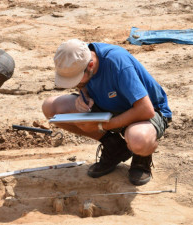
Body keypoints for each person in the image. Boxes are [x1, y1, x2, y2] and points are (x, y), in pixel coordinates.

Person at [42, 39, 172, 186]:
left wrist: (103, 127)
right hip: (108, 108)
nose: (75, 84)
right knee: (50, 108)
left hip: (145, 113)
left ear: (90, 65)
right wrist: (84, 94)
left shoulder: (117, 63)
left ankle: (141, 157)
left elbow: (145, 110)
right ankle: (115, 147)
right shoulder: (77, 55)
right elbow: (83, 82)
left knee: (138, 139)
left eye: (77, 80)